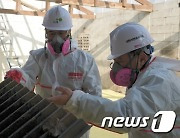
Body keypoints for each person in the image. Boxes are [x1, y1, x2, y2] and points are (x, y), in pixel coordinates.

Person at [48, 22, 180, 138]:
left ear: (141, 58)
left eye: (120, 61)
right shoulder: (143, 75)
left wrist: (74, 100)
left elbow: (126, 117)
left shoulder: (160, 80)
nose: (117, 68)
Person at [5, 5, 102, 138]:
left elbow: (95, 97)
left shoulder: (85, 60)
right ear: (46, 32)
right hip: (44, 125)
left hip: (75, 127)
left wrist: (76, 103)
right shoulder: (38, 57)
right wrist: (19, 76)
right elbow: (28, 78)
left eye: (61, 33)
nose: (57, 38)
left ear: (69, 32)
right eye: (52, 33)